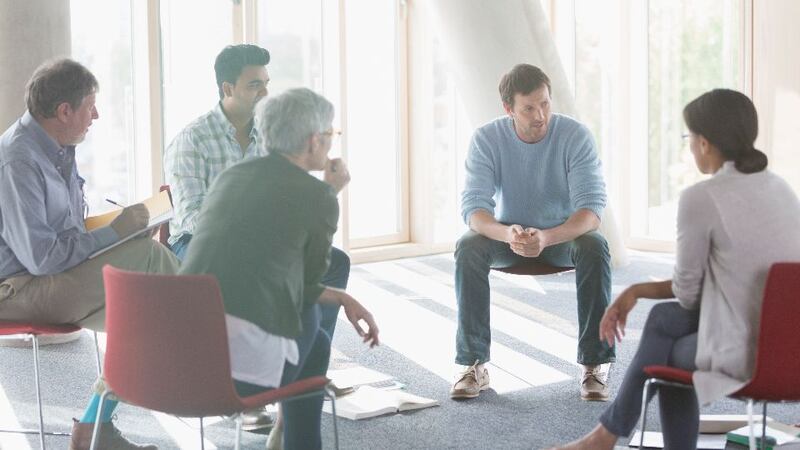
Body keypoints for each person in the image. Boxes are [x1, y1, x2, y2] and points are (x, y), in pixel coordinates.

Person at [553, 89, 800, 450]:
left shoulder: (703, 197)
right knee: (663, 322)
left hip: (751, 352)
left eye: (689, 138)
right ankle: (605, 435)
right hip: (790, 344)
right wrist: (634, 291)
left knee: (664, 348)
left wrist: (635, 292)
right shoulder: (782, 189)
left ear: (704, 142)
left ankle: (607, 436)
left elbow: (689, 293)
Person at [180, 87, 379, 450]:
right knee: (309, 317)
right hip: (238, 376)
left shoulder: (232, 177)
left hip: (179, 358)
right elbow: (307, 284)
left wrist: (343, 297)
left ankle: (291, 438)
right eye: (331, 135)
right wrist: (328, 193)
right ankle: (296, 441)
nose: (331, 143)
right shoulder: (315, 195)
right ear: (313, 141)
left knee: (317, 343)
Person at [0, 59, 179, 449]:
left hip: (48, 279)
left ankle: (94, 427)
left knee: (148, 306)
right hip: (17, 289)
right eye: (90, 106)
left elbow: (70, 232)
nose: (96, 115)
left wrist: (118, 231)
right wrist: (117, 232)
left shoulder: (60, 147)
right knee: (149, 261)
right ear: (64, 111)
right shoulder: (18, 159)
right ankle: (224, 327)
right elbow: (41, 257)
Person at [452, 63, 613, 401]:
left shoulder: (575, 135)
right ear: (509, 109)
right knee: (468, 245)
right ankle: (472, 363)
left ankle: (594, 365)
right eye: (529, 107)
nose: (540, 115)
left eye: (545, 103)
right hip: (507, 239)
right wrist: (507, 234)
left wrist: (548, 237)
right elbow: (474, 211)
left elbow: (591, 210)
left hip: (560, 238)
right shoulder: (487, 139)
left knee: (594, 245)